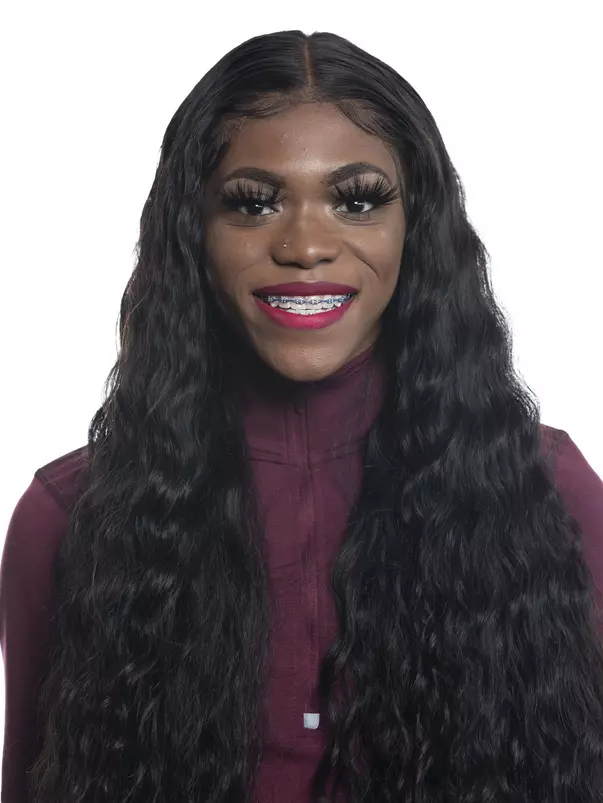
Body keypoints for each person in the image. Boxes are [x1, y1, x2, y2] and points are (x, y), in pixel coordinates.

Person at [1, 28, 603, 803]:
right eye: (252, 204)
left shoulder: (551, 493)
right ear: (195, 236)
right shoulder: (67, 517)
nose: (306, 245)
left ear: (415, 226)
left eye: (356, 201)